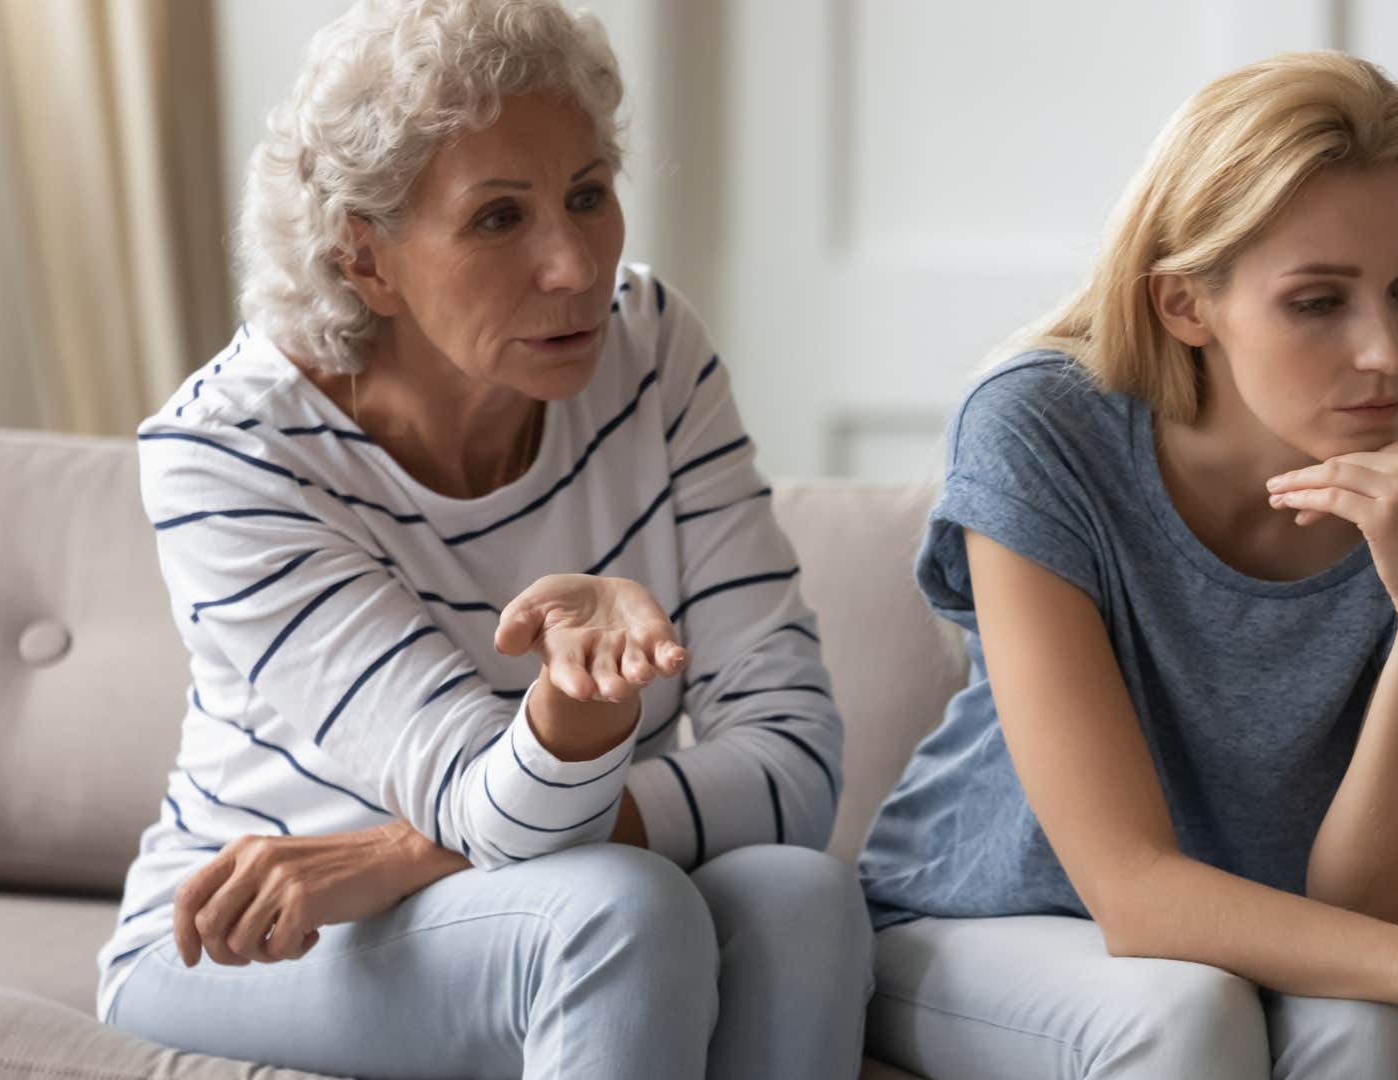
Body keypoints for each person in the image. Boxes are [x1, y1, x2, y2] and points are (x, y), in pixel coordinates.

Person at [96, 2, 871, 1076]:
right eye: (499, 219)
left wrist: (400, 853)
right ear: (365, 260)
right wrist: (576, 715)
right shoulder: (229, 455)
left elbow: (796, 758)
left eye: (589, 196)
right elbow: (476, 794)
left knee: (804, 897)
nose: (573, 266)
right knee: (616, 910)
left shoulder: (648, 348)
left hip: (472, 877)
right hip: (252, 938)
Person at [858, 52, 1398, 1080]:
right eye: (1318, 301)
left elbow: (1371, 913)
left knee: (1375, 1036)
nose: (1389, 353)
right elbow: (1132, 891)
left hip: (1310, 938)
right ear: (1185, 305)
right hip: (1001, 919)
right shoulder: (1039, 429)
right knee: (1184, 1016)